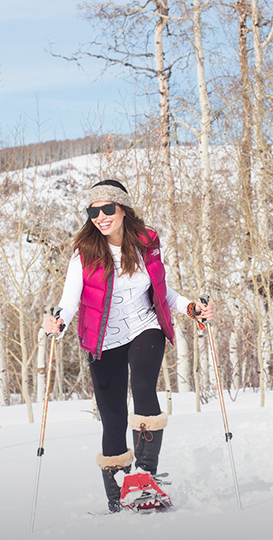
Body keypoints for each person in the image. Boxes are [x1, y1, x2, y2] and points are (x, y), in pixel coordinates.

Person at [43, 179, 213, 511]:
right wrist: (58, 322)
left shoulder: (147, 243)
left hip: (145, 326)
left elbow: (163, 290)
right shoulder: (84, 254)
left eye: (108, 208)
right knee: (113, 417)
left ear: (122, 209)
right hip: (102, 339)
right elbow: (69, 300)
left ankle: (144, 477)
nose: (101, 217)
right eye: (94, 211)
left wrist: (192, 308)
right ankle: (117, 492)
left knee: (145, 386)